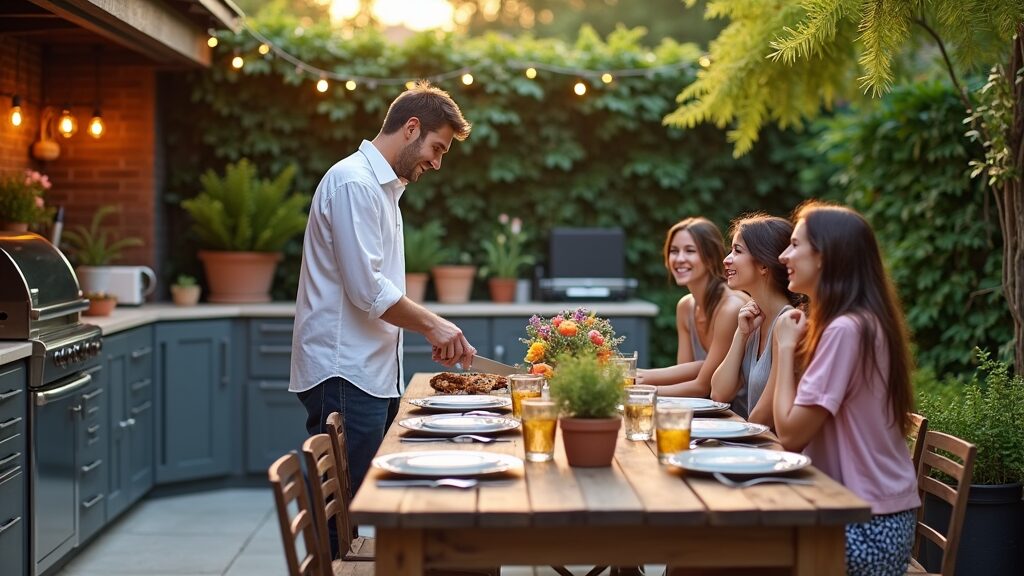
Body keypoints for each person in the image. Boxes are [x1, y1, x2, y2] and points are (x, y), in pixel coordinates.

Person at [290, 81, 477, 497]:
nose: (437, 163)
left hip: (366, 374)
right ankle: (342, 567)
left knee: (366, 503)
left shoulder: (383, 190)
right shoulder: (354, 184)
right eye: (438, 148)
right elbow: (367, 289)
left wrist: (428, 326)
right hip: (344, 372)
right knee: (351, 511)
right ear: (411, 128)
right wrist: (434, 325)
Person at [773, 201, 919, 576]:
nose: (783, 255)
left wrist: (785, 347)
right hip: (864, 513)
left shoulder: (845, 330)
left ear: (823, 256)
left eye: (794, 245)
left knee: (717, 551)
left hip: (866, 527)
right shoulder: (859, 323)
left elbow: (788, 433)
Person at [637, 217, 747, 396]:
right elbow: (684, 375)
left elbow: (704, 386)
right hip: (706, 412)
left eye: (690, 250)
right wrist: (637, 377)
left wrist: (638, 389)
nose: (679, 259)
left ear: (711, 257)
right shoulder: (686, 306)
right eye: (674, 251)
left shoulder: (730, 307)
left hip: (739, 414)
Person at [709, 214, 802, 422]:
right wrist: (741, 335)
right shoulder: (754, 319)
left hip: (775, 450)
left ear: (763, 265)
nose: (726, 259)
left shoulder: (789, 321)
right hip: (757, 445)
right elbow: (719, 393)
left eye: (737, 251)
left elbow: (764, 418)